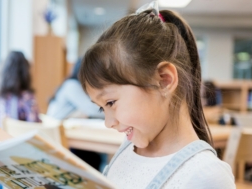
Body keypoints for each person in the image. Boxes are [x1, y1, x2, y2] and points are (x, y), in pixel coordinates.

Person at [78, 2, 235, 188]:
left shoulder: (207, 176)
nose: (108, 122)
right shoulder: (128, 148)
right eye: (101, 107)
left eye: (110, 102)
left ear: (164, 80)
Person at [46, 58, 105, 171]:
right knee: (94, 158)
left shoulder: (69, 84)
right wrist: (113, 109)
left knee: (92, 156)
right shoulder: (72, 85)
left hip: (60, 136)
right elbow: (92, 109)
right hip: (58, 140)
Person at [0, 51, 41, 128]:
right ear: (25, 72)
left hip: (2, 138)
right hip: (22, 138)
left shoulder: (1, 98)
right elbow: (35, 126)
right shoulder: (28, 98)